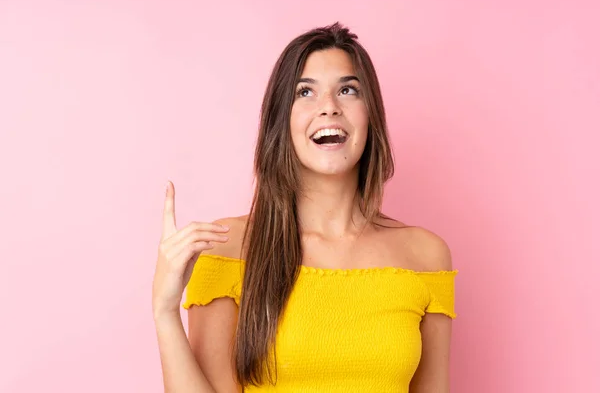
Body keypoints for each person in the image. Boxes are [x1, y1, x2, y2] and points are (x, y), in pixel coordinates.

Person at [152, 22, 458, 393]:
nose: (329, 107)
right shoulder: (226, 248)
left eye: (347, 90)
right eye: (305, 92)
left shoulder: (425, 255)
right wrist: (165, 312)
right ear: (282, 119)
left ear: (370, 114)